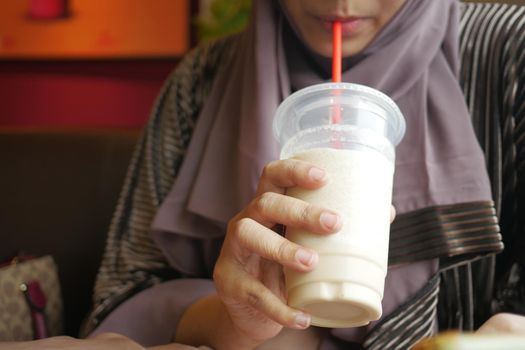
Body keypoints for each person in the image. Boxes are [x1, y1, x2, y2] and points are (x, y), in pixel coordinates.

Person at [2, 0, 524, 349]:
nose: (340, 1)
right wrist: (237, 320)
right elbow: (118, 300)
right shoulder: (200, 82)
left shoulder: (509, 50)